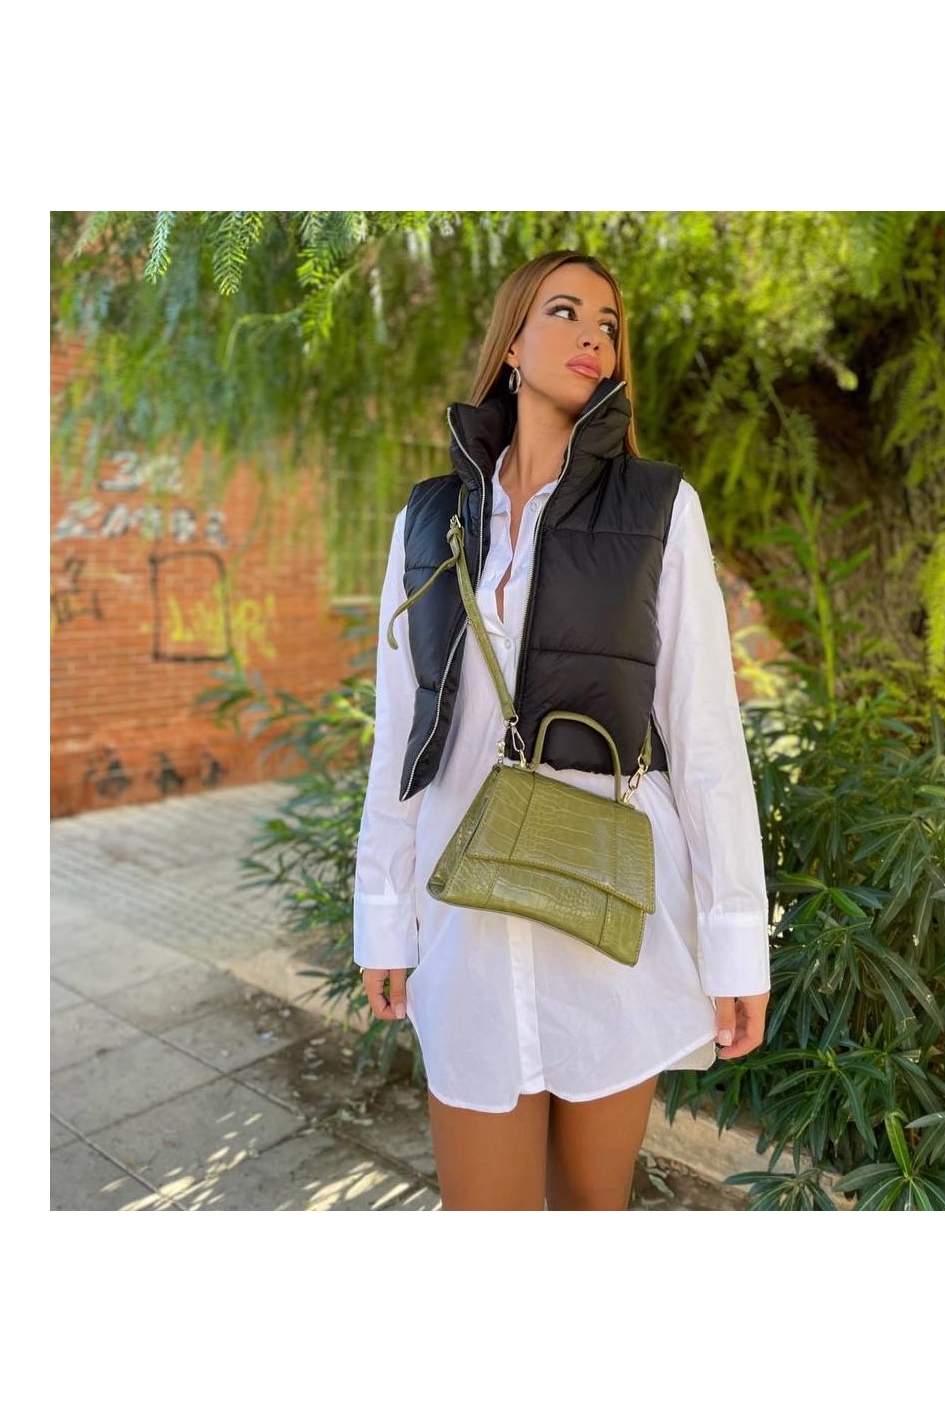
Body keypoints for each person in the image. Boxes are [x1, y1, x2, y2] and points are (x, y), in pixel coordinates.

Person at [353, 249, 770, 1211]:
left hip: (609, 923)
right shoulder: (429, 518)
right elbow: (400, 738)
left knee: (591, 1211)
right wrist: (382, 912)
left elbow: (707, 740)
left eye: (609, 325)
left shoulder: (659, 507)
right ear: (510, 343)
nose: (594, 337)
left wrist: (735, 942)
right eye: (565, 312)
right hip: (465, 926)